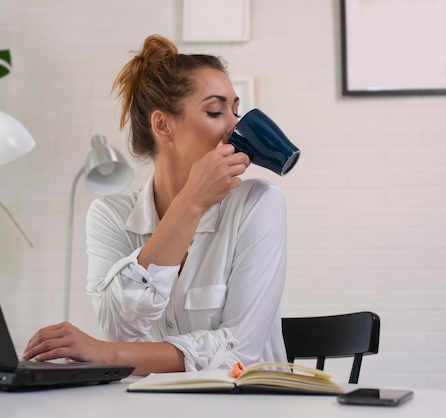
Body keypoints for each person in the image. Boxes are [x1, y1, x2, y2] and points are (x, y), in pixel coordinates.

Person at [22, 34, 288, 376]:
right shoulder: (111, 217)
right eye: (215, 111)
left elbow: (241, 354)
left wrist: (106, 355)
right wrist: (189, 204)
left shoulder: (259, 205)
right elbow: (120, 329)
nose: (235, 128)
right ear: (163, 125)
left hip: (247, 405)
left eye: (235, 111)